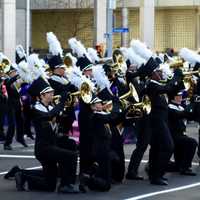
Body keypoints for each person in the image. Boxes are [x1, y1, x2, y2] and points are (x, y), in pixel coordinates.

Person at [13, 77, 79, 193]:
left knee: (50, 185)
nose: (52, 94)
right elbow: (48, 116)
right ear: (41, 96)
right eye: (49, 92)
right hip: (44, 148)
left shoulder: (51, 107)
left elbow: (63, 123)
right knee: (70, 156)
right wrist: (61, 103)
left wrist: (69, 109)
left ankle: (23, 176)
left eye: (52, 92)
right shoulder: (36, 109)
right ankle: (66, 185)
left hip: (52, 146)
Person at [168, 91, 197, 175]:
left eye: (181, 96)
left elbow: (191, 116)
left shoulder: (180, 107)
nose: (181, 98)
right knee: (192, 143)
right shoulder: (170, 107)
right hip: (173, 135)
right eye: (179, 96)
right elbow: (181, 114)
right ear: (173, 97)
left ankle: (180, 166)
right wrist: (191, 104)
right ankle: (186, 168)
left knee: (177, 165)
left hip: (180, 134)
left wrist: (195, 105)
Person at [4, 66, 27, 150]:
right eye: (13, 72)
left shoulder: (17, 83)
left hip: (17, 105)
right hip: (11, 106)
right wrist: (17, 76)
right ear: (9, 74)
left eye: (15, 72)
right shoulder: (7, 81)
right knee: (12, 125)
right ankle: (7, 143)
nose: (15, 73)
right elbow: (9, 83)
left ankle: (20, 138)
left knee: (21, 122)